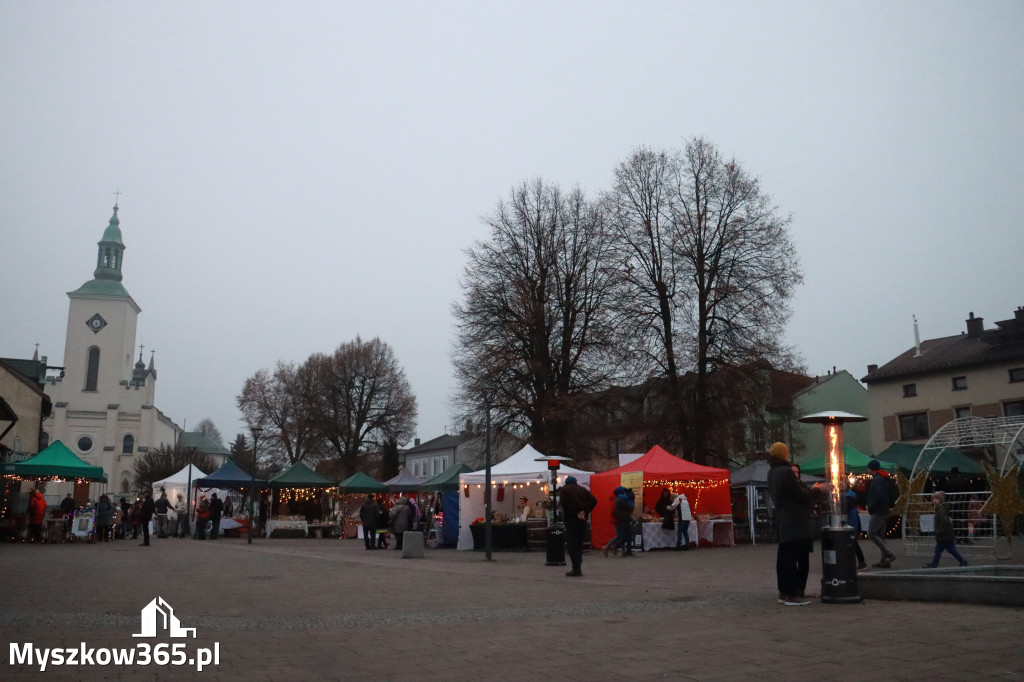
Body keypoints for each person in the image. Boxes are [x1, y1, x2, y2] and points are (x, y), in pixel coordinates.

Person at [766, 442, 827, 606]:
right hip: (794, 520)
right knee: (793, 557)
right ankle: (793, 594)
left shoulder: (772, 472)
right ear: (784, 454)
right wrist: (818, 490)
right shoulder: (785, 472)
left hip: (784, 520)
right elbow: (799, 495)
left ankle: (785, 592)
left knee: (785, 557)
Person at [560, 475, 597, 577]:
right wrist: (584, 512)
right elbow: (594, 500)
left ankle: (576, 568)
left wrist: (576, 513)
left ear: (566, 483)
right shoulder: (582, 489)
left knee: (572, 545)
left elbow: (564, 504)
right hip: (582, 521)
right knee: (579, 544)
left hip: (571, 520)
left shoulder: (565, 490)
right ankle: (578, 566)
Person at [923, 491, 969, 568]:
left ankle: (935, 563)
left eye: (936, 498)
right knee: (950, 550)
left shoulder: (941, 509)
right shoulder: (940, 508)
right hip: (946, 535)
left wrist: (939, 531)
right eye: (933, 498)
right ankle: (963, 562)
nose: (934, 500)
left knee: (939, 550)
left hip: (943, 535)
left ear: (941, 500)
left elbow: (944, 521)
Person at [866, 459, 897, 568]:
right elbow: (889, 494)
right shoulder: (884, 479)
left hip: (878, 511)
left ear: (871, 469)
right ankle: (884, 559)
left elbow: (879, 495)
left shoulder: (877, 480)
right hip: (885, 510)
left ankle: (888, 553)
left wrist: (871, 506)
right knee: (880, 534)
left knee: (871, 533)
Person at [603, 486, 634, 558]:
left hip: (617, 519)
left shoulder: (614, 498)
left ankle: (622, 550)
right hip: (620, 519)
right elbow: (629, 507)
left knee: (620, 536)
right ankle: (608, 547)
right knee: (621, 536)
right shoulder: (619, 499)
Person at [845, 488, 867, 571]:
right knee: (854, 544)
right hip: (853, 524)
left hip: (849, 524)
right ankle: (860, 562)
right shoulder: (851, 497)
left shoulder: (846, 499)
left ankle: (860, 563)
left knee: (852, 544)